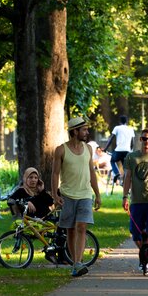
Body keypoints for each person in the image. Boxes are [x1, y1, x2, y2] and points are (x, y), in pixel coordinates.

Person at [51, 116, 102, 277]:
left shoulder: (88, 149)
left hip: (85, 194)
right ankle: (75, 263)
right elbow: (55, 173)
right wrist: (54, 194)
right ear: (75, 131)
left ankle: (79, 262)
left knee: (81, 227)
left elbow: (91, 173)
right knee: (71, 230)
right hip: (67, 195)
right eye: (84, 129)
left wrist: (97, 194)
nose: (87, 132)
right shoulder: (61, 150)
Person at [122, 127, 148, 251]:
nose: (147, 142)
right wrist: (125, 197)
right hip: (136, 200)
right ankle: (143, 254)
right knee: (136, 234)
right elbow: (127, 177)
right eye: (145, 139)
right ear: (140, 139)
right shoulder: (131, 157)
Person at [105, 115, 136, 184]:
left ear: (119, 121)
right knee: (125, 167)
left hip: (118, 150)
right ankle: (125, 183)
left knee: (112, 160)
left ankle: (116, 173)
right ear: (127, 121)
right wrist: (130, 150)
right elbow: (133, 142)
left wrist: (105, 148)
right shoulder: (131, 129)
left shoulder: (117, 128)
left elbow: (111, 139)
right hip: (127, 151)